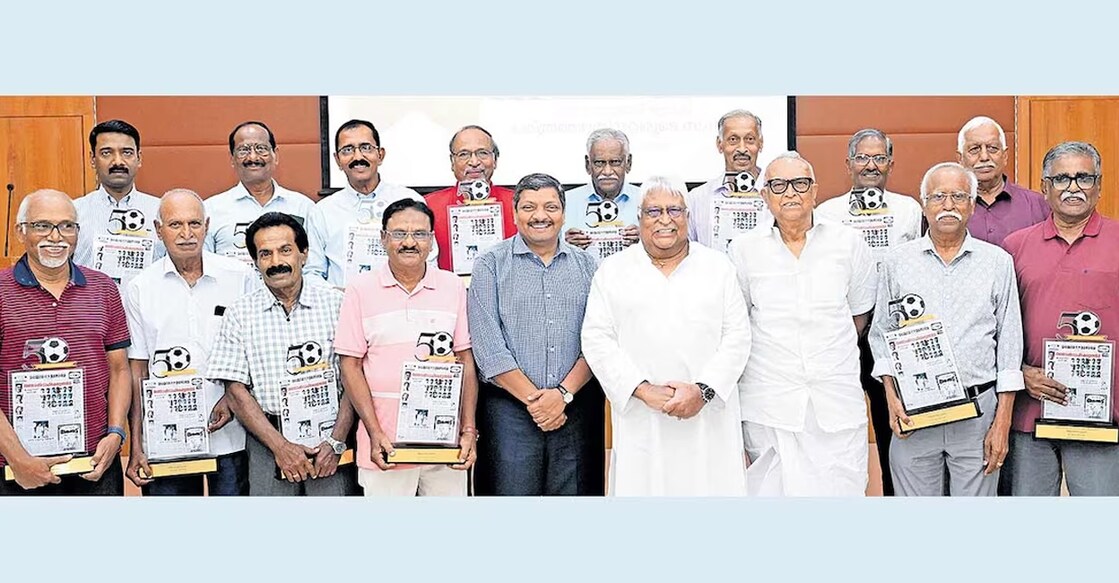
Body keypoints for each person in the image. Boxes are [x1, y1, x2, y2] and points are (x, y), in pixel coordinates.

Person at [582, 176, 750, 496]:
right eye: (653, 211)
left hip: (708, 416)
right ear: (640, 218)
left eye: (674, 210)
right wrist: (643, 390)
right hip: (643, 416)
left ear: (687, 216)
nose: (664, 220)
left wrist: (702, 391)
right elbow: (597, 339)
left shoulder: (718, 267)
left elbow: (737, 337)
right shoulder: (612, 270)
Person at [868, 162, 1023, 496]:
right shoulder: (897, 261)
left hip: (978, 414)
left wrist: (1002, 421)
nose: (948, 205)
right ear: (924, 204)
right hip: (914, 415)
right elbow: (880, 334)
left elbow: (1010, 345)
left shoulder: (997, 262)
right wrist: (891, 398)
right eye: (938, 196)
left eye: (958, 196)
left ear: (971, 203)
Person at [730, 152, 877, 496]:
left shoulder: (848, 243)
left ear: (815, 191)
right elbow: (740, 320)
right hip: (770, 403)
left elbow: (858, 314)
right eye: (778, 185)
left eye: (800, 183)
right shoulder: (744, 250)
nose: (790, 193)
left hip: (835, 401)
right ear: (764, 195)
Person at [469, 173, 603, 496]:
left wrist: (562, 396)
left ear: (563, 213)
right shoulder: (489, 265)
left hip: (574, 405)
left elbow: (599, 340)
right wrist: (538, 401)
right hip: (508, 410)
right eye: (529, 207)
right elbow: (489, 348)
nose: (540, 216)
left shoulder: (589, 266)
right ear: (514, 213)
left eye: (550, 207)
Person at [334, 199, 478, 496]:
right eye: (399, 233)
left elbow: (465, 360)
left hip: (445, 445)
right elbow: (350, 365)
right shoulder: (360, 289)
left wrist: (468, 430)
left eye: (420, 234)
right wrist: (374, 432)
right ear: (383, 238)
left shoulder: (453, 287)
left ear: (432, 240)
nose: (409, 242)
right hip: (385, 445)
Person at [206, 212, 356, 495]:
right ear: (255, 262)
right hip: (268, 441)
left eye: (285, 250)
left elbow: (354, 377)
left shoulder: (338, 304)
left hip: (332, 442)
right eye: (265, 254)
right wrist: (281, 447)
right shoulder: (240, 313)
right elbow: (235, 390)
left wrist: (337, 441)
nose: (276, 263)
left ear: (304, 254)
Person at [1001, 141, 1119, 495]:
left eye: (1083, 177)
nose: (1073, 187)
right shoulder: (1015, 246)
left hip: (1102, 415)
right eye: (1062, 178)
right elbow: (997, 327)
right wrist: (1019, 373)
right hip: (1030, 412)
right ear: (1045, 186)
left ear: (1098, 185)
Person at [123, 189, 255, 496]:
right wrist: (137, 443)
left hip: (233, 434)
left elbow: (254, 352)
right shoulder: (141, 288)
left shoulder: (239, 277)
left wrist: (234, 398)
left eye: (194, 224)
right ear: (158, 230)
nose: (186, 234)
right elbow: (138, 371)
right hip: (167, 440)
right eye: (175, 225)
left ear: (207, 226)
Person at [0, 190, 132, 495]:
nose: (56, 237)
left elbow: (119, 370)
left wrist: (115, 434)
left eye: (66, 226)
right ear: (21, 231)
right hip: (16, 468)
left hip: (95, 465)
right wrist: (17, 458)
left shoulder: (104, 288)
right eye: (42, 226)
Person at [814, 128, 923, 496]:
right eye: (862, 157)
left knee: (895, 424)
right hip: (841, 332)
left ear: (891, 163)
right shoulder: (825, 213)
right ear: (848, 164)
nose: (871, 165)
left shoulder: (909, 209)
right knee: (836, 422)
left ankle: (895, 497)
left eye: (879, 157)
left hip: (894, 334)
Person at [305, 119, 435, 288]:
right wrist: (340, 295)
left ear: (380, 155)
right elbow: (311, 272)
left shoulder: (410, 200)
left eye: (366, 148)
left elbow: (430, 260)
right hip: (343, 307)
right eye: (348, 150)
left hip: (402, 304)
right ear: (337, 160)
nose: (358, 157)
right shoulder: (322, 211)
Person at [204, 121, 315, 270]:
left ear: (275, 155)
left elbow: (313, 264)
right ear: (232, 158)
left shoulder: (303, 207)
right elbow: (205, 264)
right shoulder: (211, 209)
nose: (253, 157)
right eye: (243, 150)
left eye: (261, 149)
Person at [73, 119, 166, 288]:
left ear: (139, 158)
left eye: (127, 152)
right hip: (92, 310)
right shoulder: (73, 212)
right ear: (93, 159)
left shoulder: (162, 211)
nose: (118, 162)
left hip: (148, 309)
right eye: (107, 153)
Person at [423, 125, 516, 274]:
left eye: (482, 153)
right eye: (464, 154)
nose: (474, 162)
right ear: (452, 162)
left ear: (495, 160)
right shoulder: (428, 205)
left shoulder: (517, 203)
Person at [686, 109, 774, 253]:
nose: (742, 149)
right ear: (720, 144)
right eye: (733, 139)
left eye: (749, 139)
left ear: (761, 143)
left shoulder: (777, 194)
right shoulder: (696, 199)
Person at [956, 116, 1049, 246]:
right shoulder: (949, 207)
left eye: (992, 148)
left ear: (1005, 156)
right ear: (960, 159)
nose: (984, 157)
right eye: (974, 149)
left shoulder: (1037, 205)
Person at [562, 129, 642, 262]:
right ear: (588, 164)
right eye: (599, 163)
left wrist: (647, 241)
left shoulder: (647, 200)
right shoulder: (565, 202)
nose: (607, 171)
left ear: (628, 163)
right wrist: (562, 246)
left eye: (615, 162)